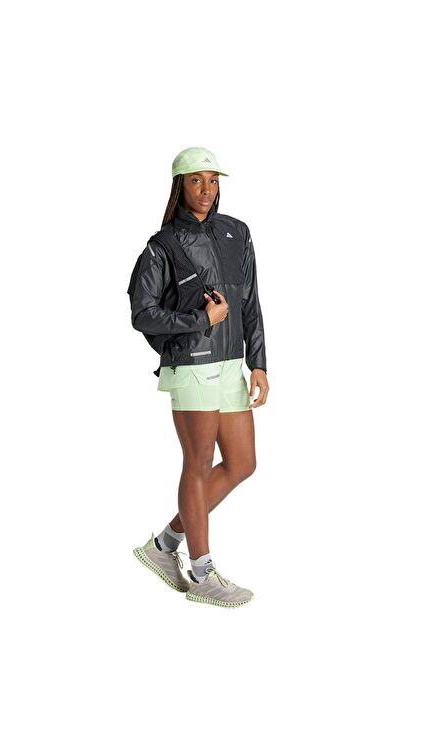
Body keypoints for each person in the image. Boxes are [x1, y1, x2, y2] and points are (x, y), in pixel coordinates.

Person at [130, 146, 269, 608]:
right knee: (198, 462)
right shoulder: (163, 245)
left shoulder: (237, 232)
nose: (206, 190)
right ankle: (202, 572)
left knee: (242, 463)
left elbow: (250, 302)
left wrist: (259, 363)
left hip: (231, 365)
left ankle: (165, 544)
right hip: (191, 365)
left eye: (212, 180)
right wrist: (200, 320)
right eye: (196, 180)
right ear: (180, 186)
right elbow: (142, 313)